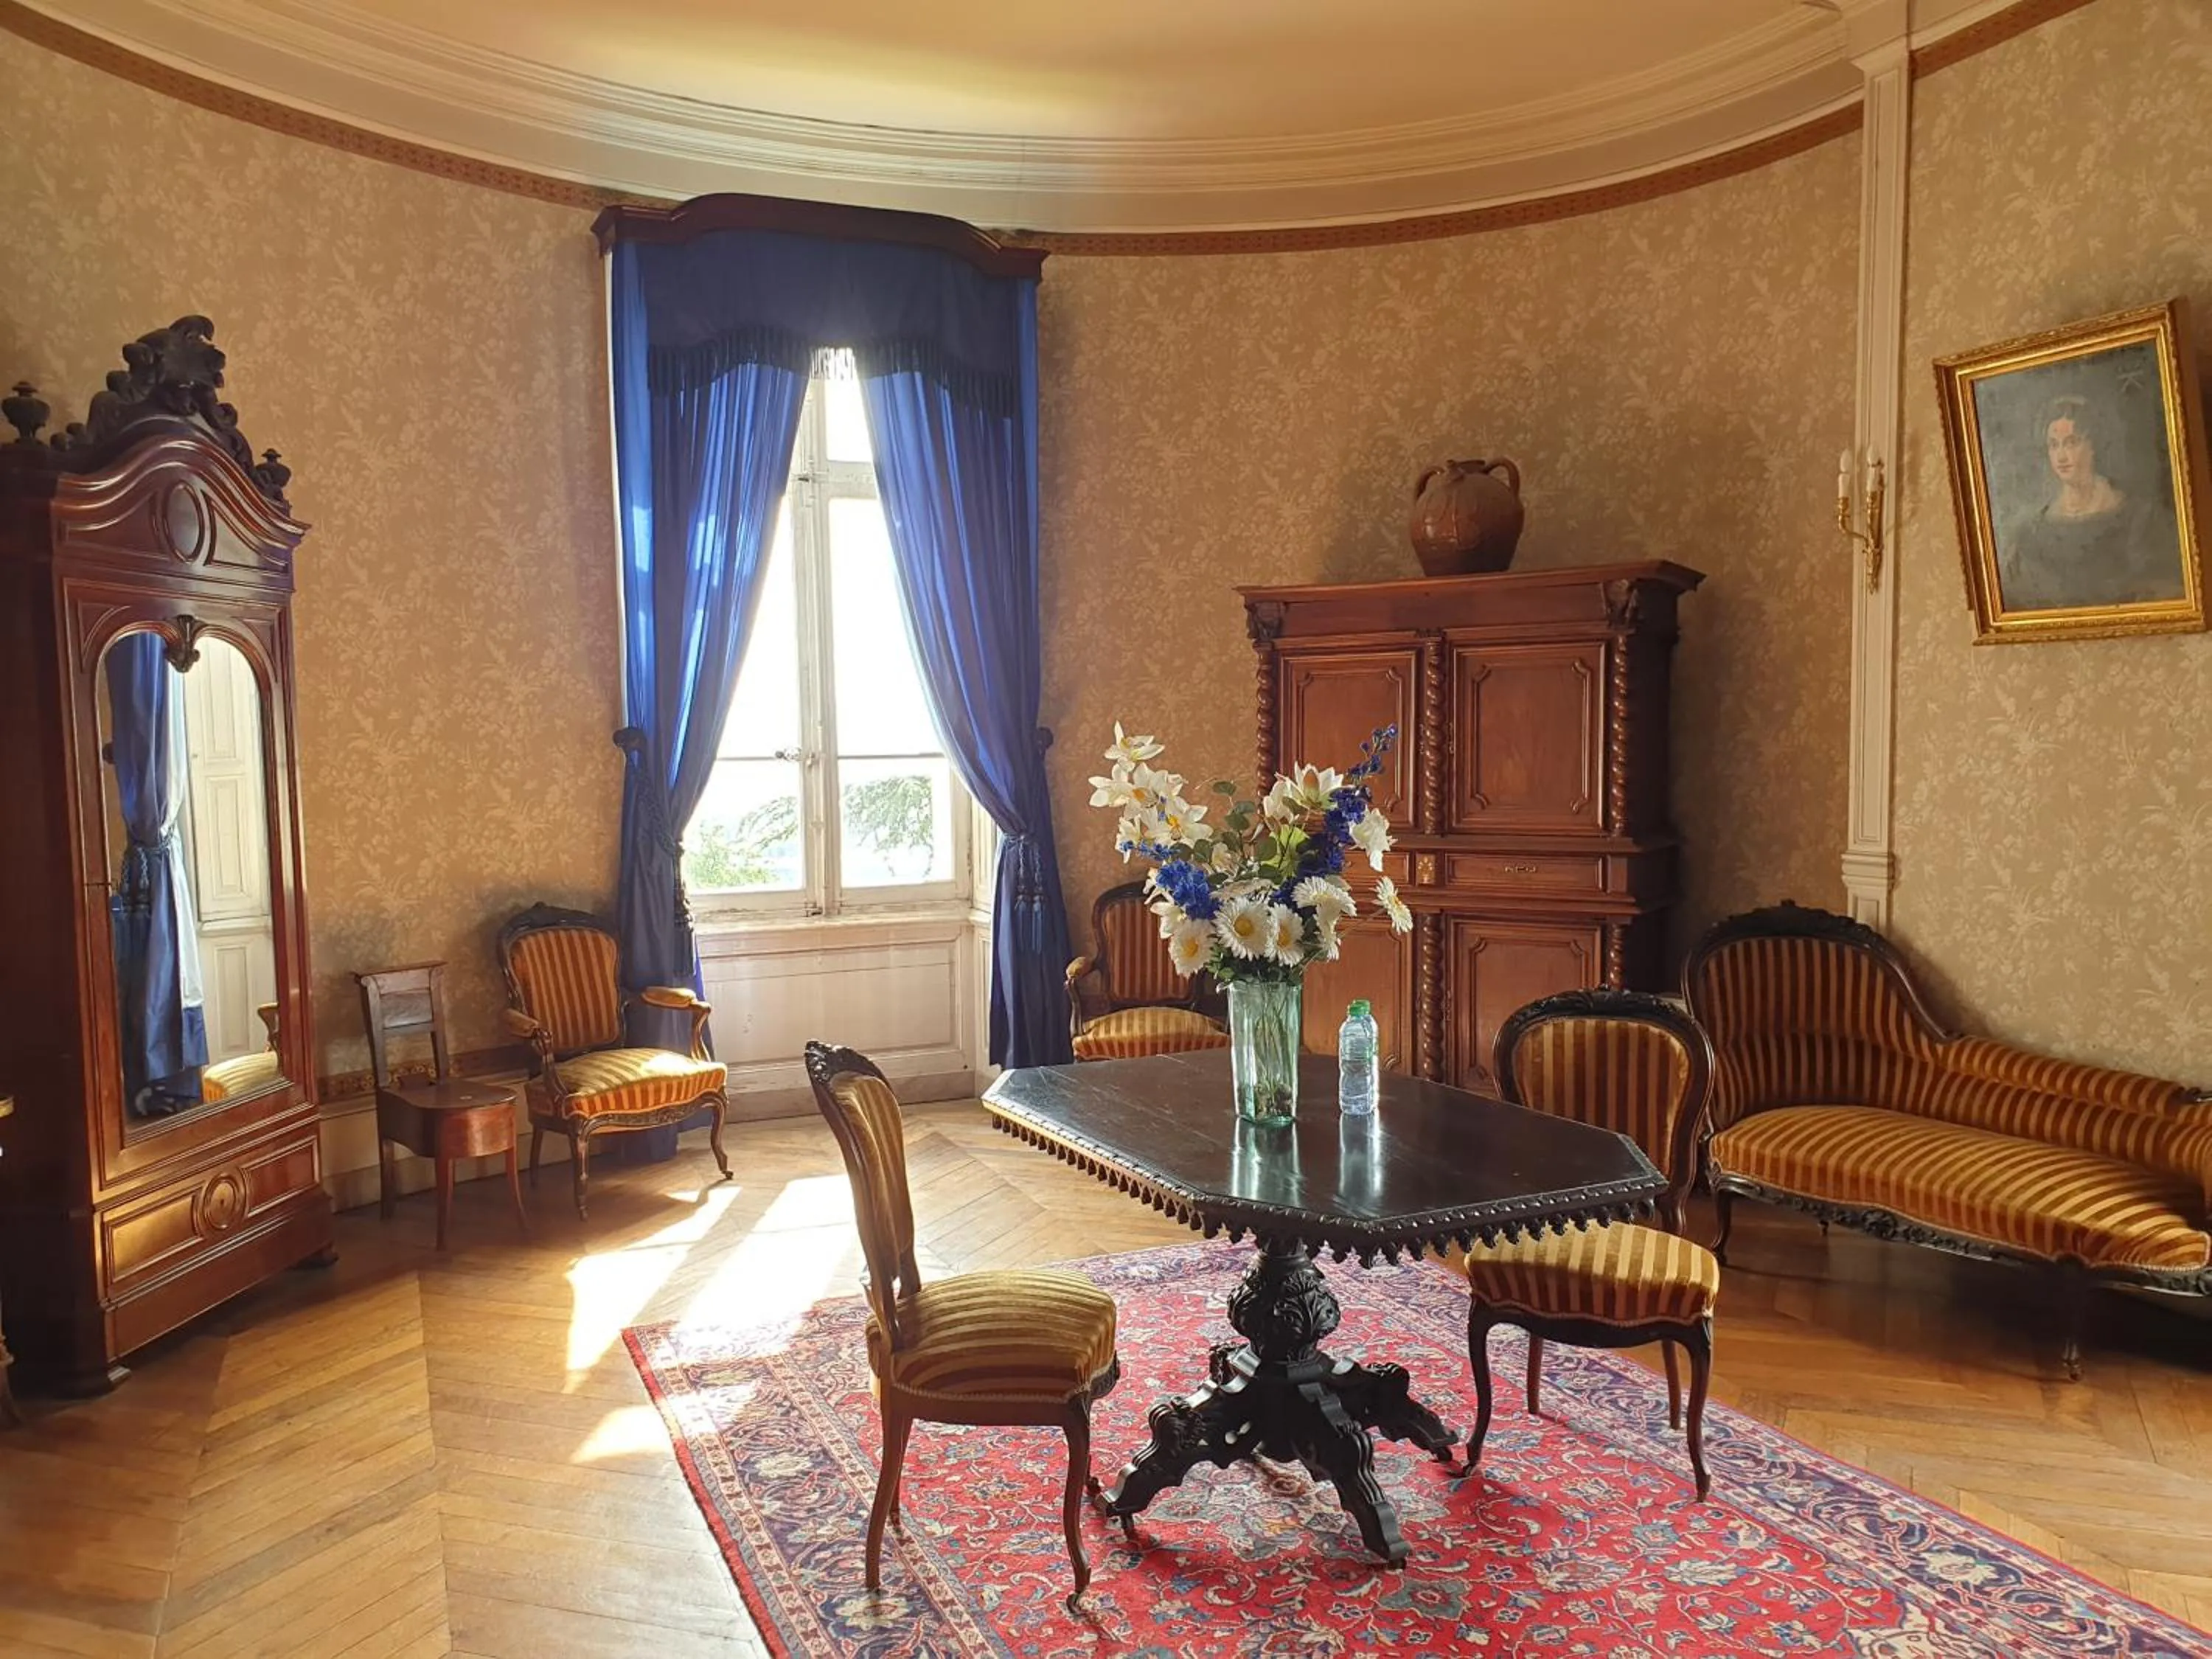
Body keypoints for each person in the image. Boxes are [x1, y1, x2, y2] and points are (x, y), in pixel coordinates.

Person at [1998, 394, 2180, 611]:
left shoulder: (2138, 518)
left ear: (2094, 446)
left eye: (2072, 443)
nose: (2061, 457)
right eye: (2053, 446)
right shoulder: (2031, 532)